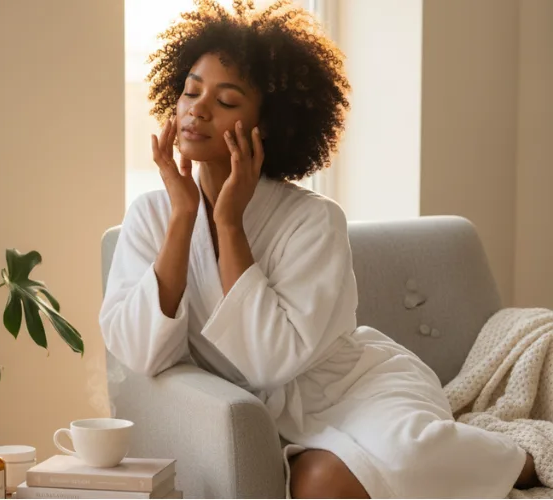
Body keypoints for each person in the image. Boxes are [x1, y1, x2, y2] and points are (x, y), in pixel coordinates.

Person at [99, 0, 539, 497]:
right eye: (191, 90)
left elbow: (270, 361)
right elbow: (138, 352)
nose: (196, 108)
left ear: (264, 126)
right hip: (256, 414)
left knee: (353, 472)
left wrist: (228, 224)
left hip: (354, 389)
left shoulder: (313, 219)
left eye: (226, 101)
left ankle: (520, 459)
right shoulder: (152, 216)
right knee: (321, 481)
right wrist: (183, 219)